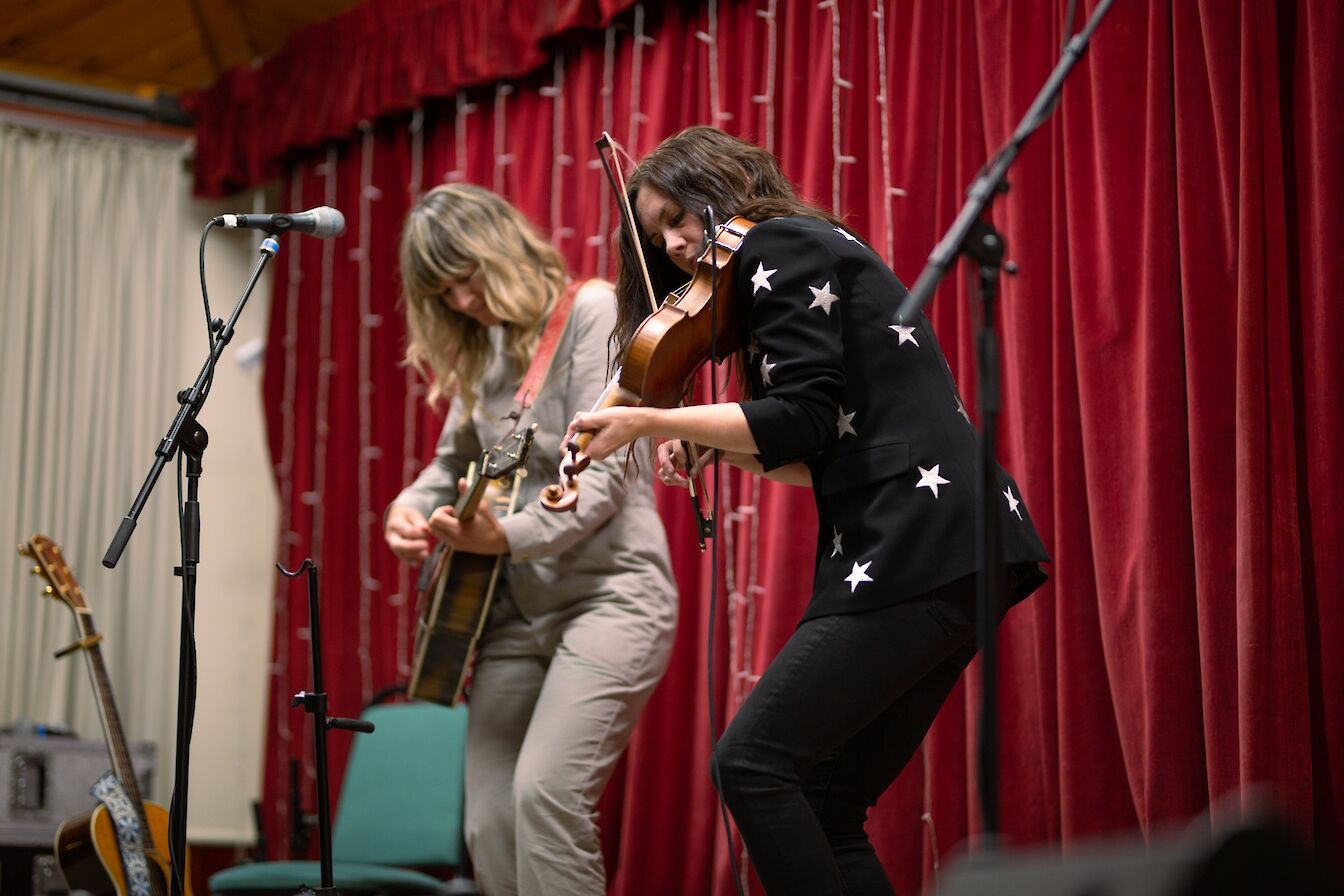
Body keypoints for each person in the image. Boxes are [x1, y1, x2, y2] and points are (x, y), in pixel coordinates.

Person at [564, 126, 1049, 895]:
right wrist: (709, 445)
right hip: (952, 544)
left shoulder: (778, 245)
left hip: (916, 542)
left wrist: (653, 419)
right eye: (659, 238)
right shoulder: (798, 253)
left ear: (720, 184)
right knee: (824, 803)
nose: (678, 245)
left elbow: (800, 419)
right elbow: (814, 455)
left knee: (751, 762)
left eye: (680, 217)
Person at [384, 183, 678, 896]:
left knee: (545, 796)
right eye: (443, 293)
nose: (460, 302)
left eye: (467, 280)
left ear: (503, 248)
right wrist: (408, 506)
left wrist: (504, 536)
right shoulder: (483, 351)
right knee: (488, 821)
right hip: (512, 614)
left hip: (611, 599)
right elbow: (453, 463)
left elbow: (603, 483)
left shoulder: (593, 311)